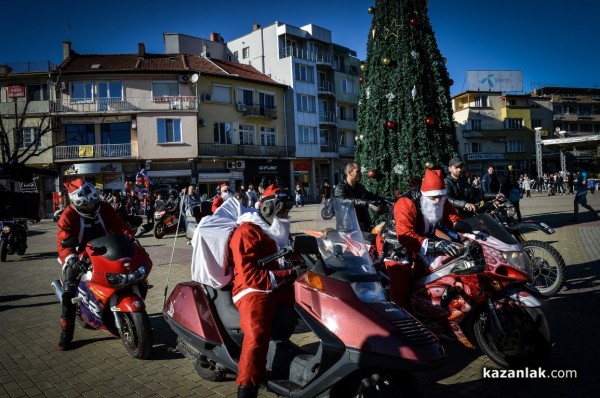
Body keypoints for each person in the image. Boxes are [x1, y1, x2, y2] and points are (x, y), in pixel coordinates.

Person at [230, 184, 300, 398]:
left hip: (278, 286)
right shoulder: (246, 232)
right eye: (283, 211)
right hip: (253, 290)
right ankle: (247, 387)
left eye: (288, 211)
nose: (286, 215)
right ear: (270, 208)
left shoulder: (278, 231)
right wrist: (288, 274)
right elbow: (249, 275)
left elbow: (290, 257)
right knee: (257, 332)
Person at [56, 179, 134, 351]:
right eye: (86, 206)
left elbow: (119, 225)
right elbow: (63, 242)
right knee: (69, 293)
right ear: (76, 204)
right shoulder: (67, 215)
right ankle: (66, 334)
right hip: (79, 256)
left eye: (93, 203)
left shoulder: (105, 207)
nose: (91, 208)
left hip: (107, 250)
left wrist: (130, 236)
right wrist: (71, 259)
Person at [333, 162, 386, 231]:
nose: (360, 174)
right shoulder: (340, 188)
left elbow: (370, 196)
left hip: (362, 226)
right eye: (358, 171)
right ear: (349, 173)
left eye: (360, 171)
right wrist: (366, 203)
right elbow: (345, 200)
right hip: (348, 228)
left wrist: (386, 200)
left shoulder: (359, 187)